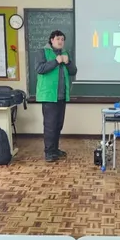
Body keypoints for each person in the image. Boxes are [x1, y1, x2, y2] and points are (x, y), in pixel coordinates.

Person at [35, 30, 77, 162]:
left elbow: (73, 71)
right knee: (50, 125)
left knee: (58, 124)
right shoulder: (43, 52)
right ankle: (49, 152)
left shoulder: (65, 53)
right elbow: (40, 69)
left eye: (62, 39)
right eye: (58, 39)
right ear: (51, 40)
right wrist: (56, 61)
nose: (60, 41)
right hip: (48, 96)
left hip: (61, 96)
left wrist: (68, 62)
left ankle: (55, 149)